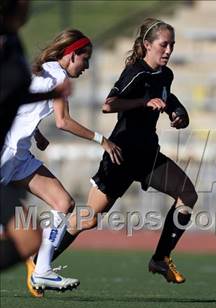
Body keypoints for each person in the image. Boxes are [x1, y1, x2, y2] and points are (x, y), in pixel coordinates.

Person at [48, 17, 198, 285]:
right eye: (164, 45)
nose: (168, 51)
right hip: (121, 154)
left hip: (148, 156)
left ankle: (160, 258)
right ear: (147, 45)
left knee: (187, 194)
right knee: (89, 219)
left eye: (172, 45)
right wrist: (143, 101)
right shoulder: (136, 72)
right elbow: (109, 104)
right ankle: (41, 262)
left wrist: (179, 113)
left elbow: (167, 98)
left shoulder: (166, 74)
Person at [1, 28, 123, 296]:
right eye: (85, 59)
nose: (86, 67)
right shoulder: (56, 75)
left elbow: (20, 107)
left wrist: (36, 133)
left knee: (64, 203)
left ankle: (42, 270)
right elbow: (63, 121)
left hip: (19, 155)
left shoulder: (45, 69)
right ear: (72, 54)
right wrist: (101, 139)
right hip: (5, 154)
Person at [0, 0, 71, 272]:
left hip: (14, 150)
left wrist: (50, 96)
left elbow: (14, 96)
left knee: (30, 239)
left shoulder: (14, 42)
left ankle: (41, 271)